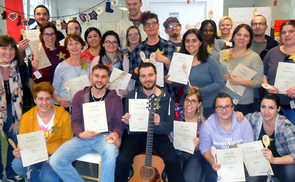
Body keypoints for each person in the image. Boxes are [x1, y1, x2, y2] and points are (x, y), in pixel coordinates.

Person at [49, 64, 124, 182]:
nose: (99, 80)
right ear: (91, 77)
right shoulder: (79, 95)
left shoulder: (115, 98)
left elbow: (118, 122)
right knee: (55, 160)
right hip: (83, 137)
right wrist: (80, 133)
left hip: (104, 137)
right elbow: (76, 120)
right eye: (97, 76)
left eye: (103, 77)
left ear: (108, 79)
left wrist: (116, 133)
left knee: (111, 153)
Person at [115, 62, 184, 182]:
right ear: (139, 78)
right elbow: (127, 126)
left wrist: (159, 124)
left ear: (156, 76)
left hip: (159, 136)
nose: (147, 79)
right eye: (143, 76)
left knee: (173, 159)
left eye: (150, 75)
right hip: (137, 135)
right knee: (122, 160)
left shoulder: (166, 97)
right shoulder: (132, 95)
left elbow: (169, 125)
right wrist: (127, 123)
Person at [11, 82, 73, 182]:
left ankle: (39, 176)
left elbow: (67, 142)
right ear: (35, 100)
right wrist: (19, 150)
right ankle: (37, 177)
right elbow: (23, 139)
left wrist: (55, 157)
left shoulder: (63, 116)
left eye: (47, 98)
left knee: (48, 178)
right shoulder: (27, 117)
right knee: (16, 164)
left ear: (52, 99)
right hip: (34, 154)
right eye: (40, 99)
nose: (44, 103)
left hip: (54, 155)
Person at [199, 92, 254, 182]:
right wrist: (213, 162)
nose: (224, 110)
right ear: (215, 109)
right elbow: (205, 149)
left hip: (239, 160)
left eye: (227, 106)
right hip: (216, 160)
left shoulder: (243, 123)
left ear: (233, 107)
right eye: (220, 107)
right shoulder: (207, 126)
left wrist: (238, 164)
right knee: (215, 177)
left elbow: (248, 146)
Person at [241, 93, 295, 182]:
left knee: (291, 172)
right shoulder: (254, 117)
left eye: (271, 108)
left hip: (280, 161)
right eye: (263, 107)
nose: (266, 111)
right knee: (251, 179)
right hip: (259, 162)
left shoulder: (286, 126)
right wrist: (237, 114)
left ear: (278, 109)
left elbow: (294, 155)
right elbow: (236, 120)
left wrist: (274, 160)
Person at [129, 11, 178, 102]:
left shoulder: (170, 47)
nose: (151, 27)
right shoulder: (137, 50)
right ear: (144, 28)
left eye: (153, 23)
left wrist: (167, 61)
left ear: (158, 25)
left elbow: (177, 75)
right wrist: (136, 71)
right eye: (147, 24)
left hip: (166, 94)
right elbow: (131, 75)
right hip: (143, 97)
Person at [177, 29, 224, 118]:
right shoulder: (181, 61)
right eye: (187, 41)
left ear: (201, 43)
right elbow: (179, 83)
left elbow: (219, 82)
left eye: (194, 41)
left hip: (206, 106)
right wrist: (170, 81)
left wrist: (200, 90)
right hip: (187, 106)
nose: (190, 44)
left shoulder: (210, 60)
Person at [219, 24, 263, 115]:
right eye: (238, 34)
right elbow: (214, 76)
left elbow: (259, 82)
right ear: (233, 37)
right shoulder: (221, 54)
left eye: (246, 36)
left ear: (249, 39)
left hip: (243, 103)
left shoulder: (254, 57)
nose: (241, 38)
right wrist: (222, 78)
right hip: (222, 102)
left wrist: (241, 82)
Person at [0, 35, 24, 182]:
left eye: (11, 48)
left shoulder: (16, 66)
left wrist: (16, 118)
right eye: (4, 48)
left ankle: (11, 171)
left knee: (14, 137)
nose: (8, 51)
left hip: (11, 108)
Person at [263, 20, 295, 125]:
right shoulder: (272, 52)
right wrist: (267, 86)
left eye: (291, 31)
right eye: (284, 32)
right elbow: (263, 74)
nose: (287, 35)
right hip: (273, 106)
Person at [170, 88, 205, 182]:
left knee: (190, 179)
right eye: (187, 100)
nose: (189, 104)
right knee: (174, 174)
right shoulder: (175, 110)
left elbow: (203, 147)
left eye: (193, 101)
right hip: (175, 151)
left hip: (193, 154)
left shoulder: (202, 123)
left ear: (199, 104)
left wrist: (197, 145)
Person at [250, 14, 279, 112]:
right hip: (248, 92)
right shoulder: (244, 44)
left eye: (261, 24)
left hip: (268, 93)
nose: (257, 26)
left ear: (266, 27)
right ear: (251, 27)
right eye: (254, 24)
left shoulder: (274, 47)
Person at [52, 34, 88, 110]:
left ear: (82, 45)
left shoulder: (89, 65)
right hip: (65, 108)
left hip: (84, 107)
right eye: (70, 44)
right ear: (67, 48)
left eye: (77, 43)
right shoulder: (61, 67)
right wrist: (59, 100)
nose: (74, 47)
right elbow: (54, 89)